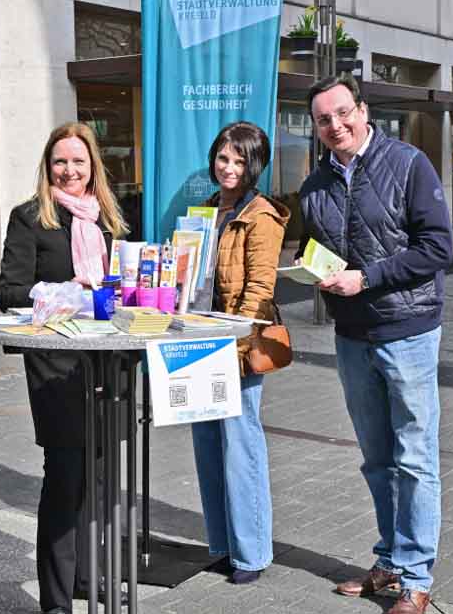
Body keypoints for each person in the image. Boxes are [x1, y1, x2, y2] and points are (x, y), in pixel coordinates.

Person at [297, 74, 453, 614]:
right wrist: (315, 271)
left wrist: (366, 279)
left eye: (343, 113)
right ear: (316, 127)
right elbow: (313, 245)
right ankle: (388, 560)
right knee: (377, 459)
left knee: (413, 458)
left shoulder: (408, 164)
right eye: (323, 119)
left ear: (363, 110)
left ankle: (415, 577)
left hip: (407, 332)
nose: (335, 125)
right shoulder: (315, 183)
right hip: (353, 335)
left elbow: (438, 247)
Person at [0, 122, 128, 614]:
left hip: (106, 363)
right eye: (60, 162)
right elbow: (8, 291)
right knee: (65, 475)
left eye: (78, 161)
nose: (70, 171)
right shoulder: (31, 217)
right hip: (55, 364)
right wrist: (62, 291)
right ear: (47, 167)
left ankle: (87, 578)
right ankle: (55, 598)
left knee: (98, 477)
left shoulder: (109, 219)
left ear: (93, 165)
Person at [191, 122, 288, 585]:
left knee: (240, 447)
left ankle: (252, 553)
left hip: (237, 346)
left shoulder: (261, 214)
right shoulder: (208, 209)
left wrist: (240, 342)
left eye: (239, 160)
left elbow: (259, 288)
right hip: (200, 339)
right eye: (223, 158)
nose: (228, 168)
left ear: (255, 165)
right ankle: (224, 545)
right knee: (208, 446)